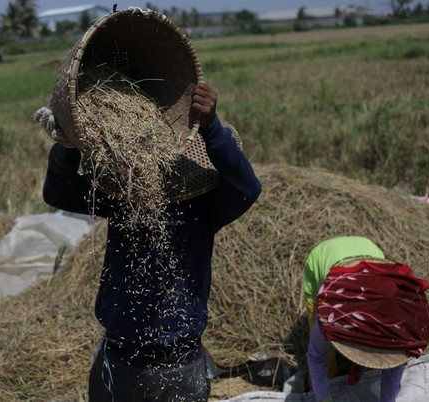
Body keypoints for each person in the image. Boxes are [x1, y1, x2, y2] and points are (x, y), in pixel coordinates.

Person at [36, 82, 262, 401]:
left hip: (177, 357)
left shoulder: (206, 205)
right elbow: (58, 193)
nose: (167, 171)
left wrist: (211, 128)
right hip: (120, 351)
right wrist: (68, 146)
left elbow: (248, 188)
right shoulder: (126, 197)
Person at [302, 236, 429, 402]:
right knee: (325, 357)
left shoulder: (403, 329)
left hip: (370, 249)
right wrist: (323, 398)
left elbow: (395, 367)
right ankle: (331, 377)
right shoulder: (330, 316)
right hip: (321, 255)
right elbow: (316, 357)